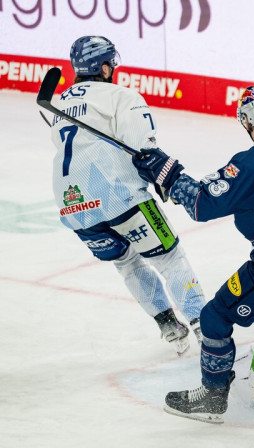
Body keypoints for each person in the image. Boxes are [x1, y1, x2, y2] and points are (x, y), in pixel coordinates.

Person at [131, 84, 254, 424]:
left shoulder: (250, 165)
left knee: (214, 317)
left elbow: (201, 205)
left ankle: (212, 397)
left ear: (245, 119)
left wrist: (166, 172)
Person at [49, 36, 206, 355]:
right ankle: (206, 330)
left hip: (74, 208)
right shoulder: (121, 96)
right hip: (120, 198)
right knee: (169, 258)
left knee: (126, 262)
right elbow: (144, 150)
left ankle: (169, 328)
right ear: (104, 66)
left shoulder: (58, 104)